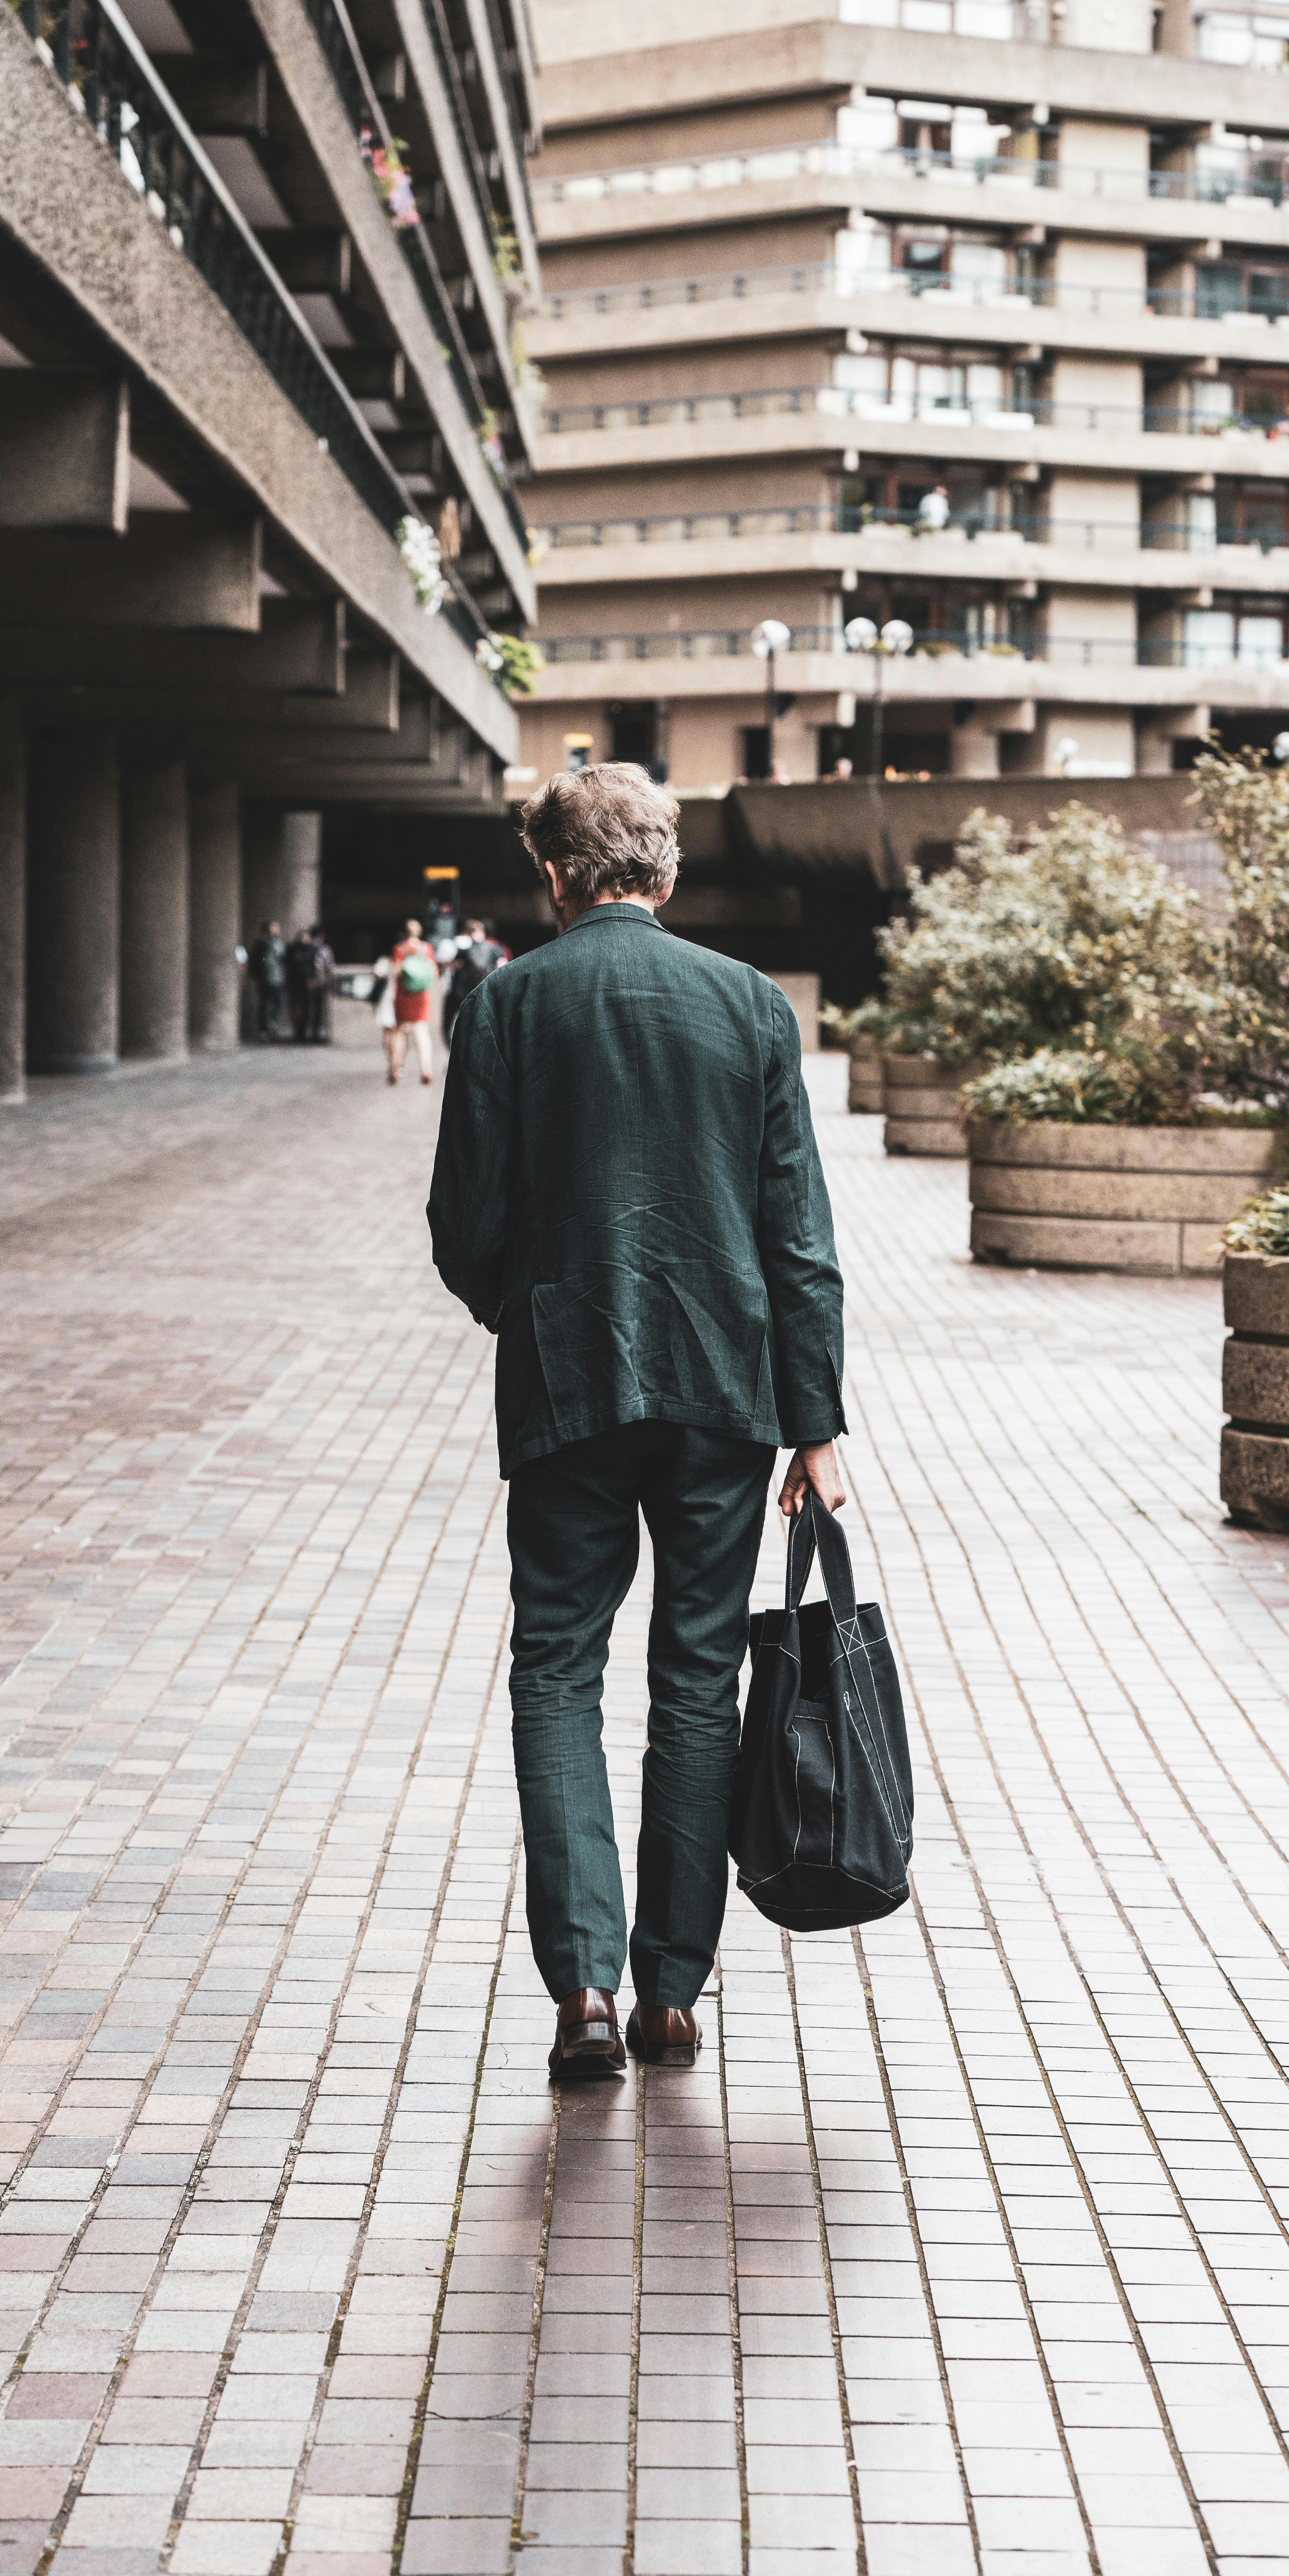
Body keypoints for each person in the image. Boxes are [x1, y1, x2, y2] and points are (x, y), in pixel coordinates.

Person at [427, 763, 845, 2084]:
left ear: (556, 877)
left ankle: (587, 1987)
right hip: (726, 1386)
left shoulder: (507, 1004)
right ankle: (674, 1987)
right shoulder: (749, 1006)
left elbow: (463, 1226)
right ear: (665, 876)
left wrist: (530, 1306)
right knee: (694, 1681)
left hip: (568, 1386)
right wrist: (816, 1420)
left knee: (556, 1667)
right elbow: (799, 1239)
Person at [383, 917, 438, 1085]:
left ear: (403, 933)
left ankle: (396, 1069)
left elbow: (397, 972)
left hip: (404, 995)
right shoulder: (426, 948)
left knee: (400, 1031)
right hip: (422, 996)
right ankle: (426, 1069)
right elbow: (434, 973)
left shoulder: (399, 949)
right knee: (422, 1031)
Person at [443, 916, 508, 1045]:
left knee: (453, 1027)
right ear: (483, 934)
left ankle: (457, 1051)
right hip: (487, 993)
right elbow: (503, 967)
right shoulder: (496, 949)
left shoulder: (464, 952)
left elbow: (451, 965)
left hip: (464, 995)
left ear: (470, 935)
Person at [245, 918, 286, 1041]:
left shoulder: (280, 943)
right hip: (266, 977)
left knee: (278, 1002)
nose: (277, 930)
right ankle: (264, 1029)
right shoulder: (263, 942)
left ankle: (272, 1024)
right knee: (265, 1003)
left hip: (279, 978)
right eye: (274, 927)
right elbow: (254, 958)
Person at [301, 926, 335, 1043]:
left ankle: (305, 1034)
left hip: (309, 982)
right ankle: (313, 1034)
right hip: (319, 982)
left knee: (307, 1008)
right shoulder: (324, 949)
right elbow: (330, 967)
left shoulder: (307, 947)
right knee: (316, 1009)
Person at [283, 928, 315, 1043]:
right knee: (296, 1007)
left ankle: (303, 1032)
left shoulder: (312, 950)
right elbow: (289, 965)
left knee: (306, 1008)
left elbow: (313, 966)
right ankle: (298, 1031)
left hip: (306, 982)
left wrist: (312, 979)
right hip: (295, 982)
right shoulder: (293, 949)